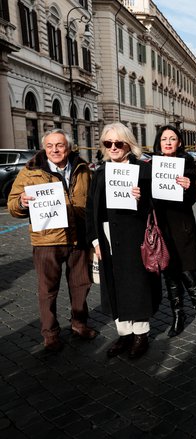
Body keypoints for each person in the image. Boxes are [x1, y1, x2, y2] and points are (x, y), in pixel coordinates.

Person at [8, 129, 96, 351]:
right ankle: (50, 333)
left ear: (68, 147)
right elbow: (12, 205)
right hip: (47, 240)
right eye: (50, 146)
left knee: (81, 285)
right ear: (44, 148)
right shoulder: (30, 171)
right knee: (48, 290)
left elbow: (93, 200)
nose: (55, 150)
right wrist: (21, 203)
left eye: (60, 145)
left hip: (78, 238)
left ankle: (79, 323)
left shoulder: (82, 168)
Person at [87, 123, 162, 360]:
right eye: (108, 143)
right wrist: (95, 240)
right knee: (115, 285)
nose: (113, 148)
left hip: (135, 237)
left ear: (128, 144)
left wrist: (142, 198)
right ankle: (124, 334)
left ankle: (141, 335)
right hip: (109, 237)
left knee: (137, 285)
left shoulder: (142, 169)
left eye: (118, 143)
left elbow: (155, 207)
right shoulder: (100, 172)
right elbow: (91, 209)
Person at [153, 125, 196, 345]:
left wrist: (189, 187)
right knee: (169, 275)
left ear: (179, 142)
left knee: (189, 274)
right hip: (162, 228)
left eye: (173, 139)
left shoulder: (187, 164)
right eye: (164, 139)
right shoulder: (151, 166)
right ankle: (178, 315)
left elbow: (194, 198)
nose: (168, 142)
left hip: (182, 228)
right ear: (159, 142)